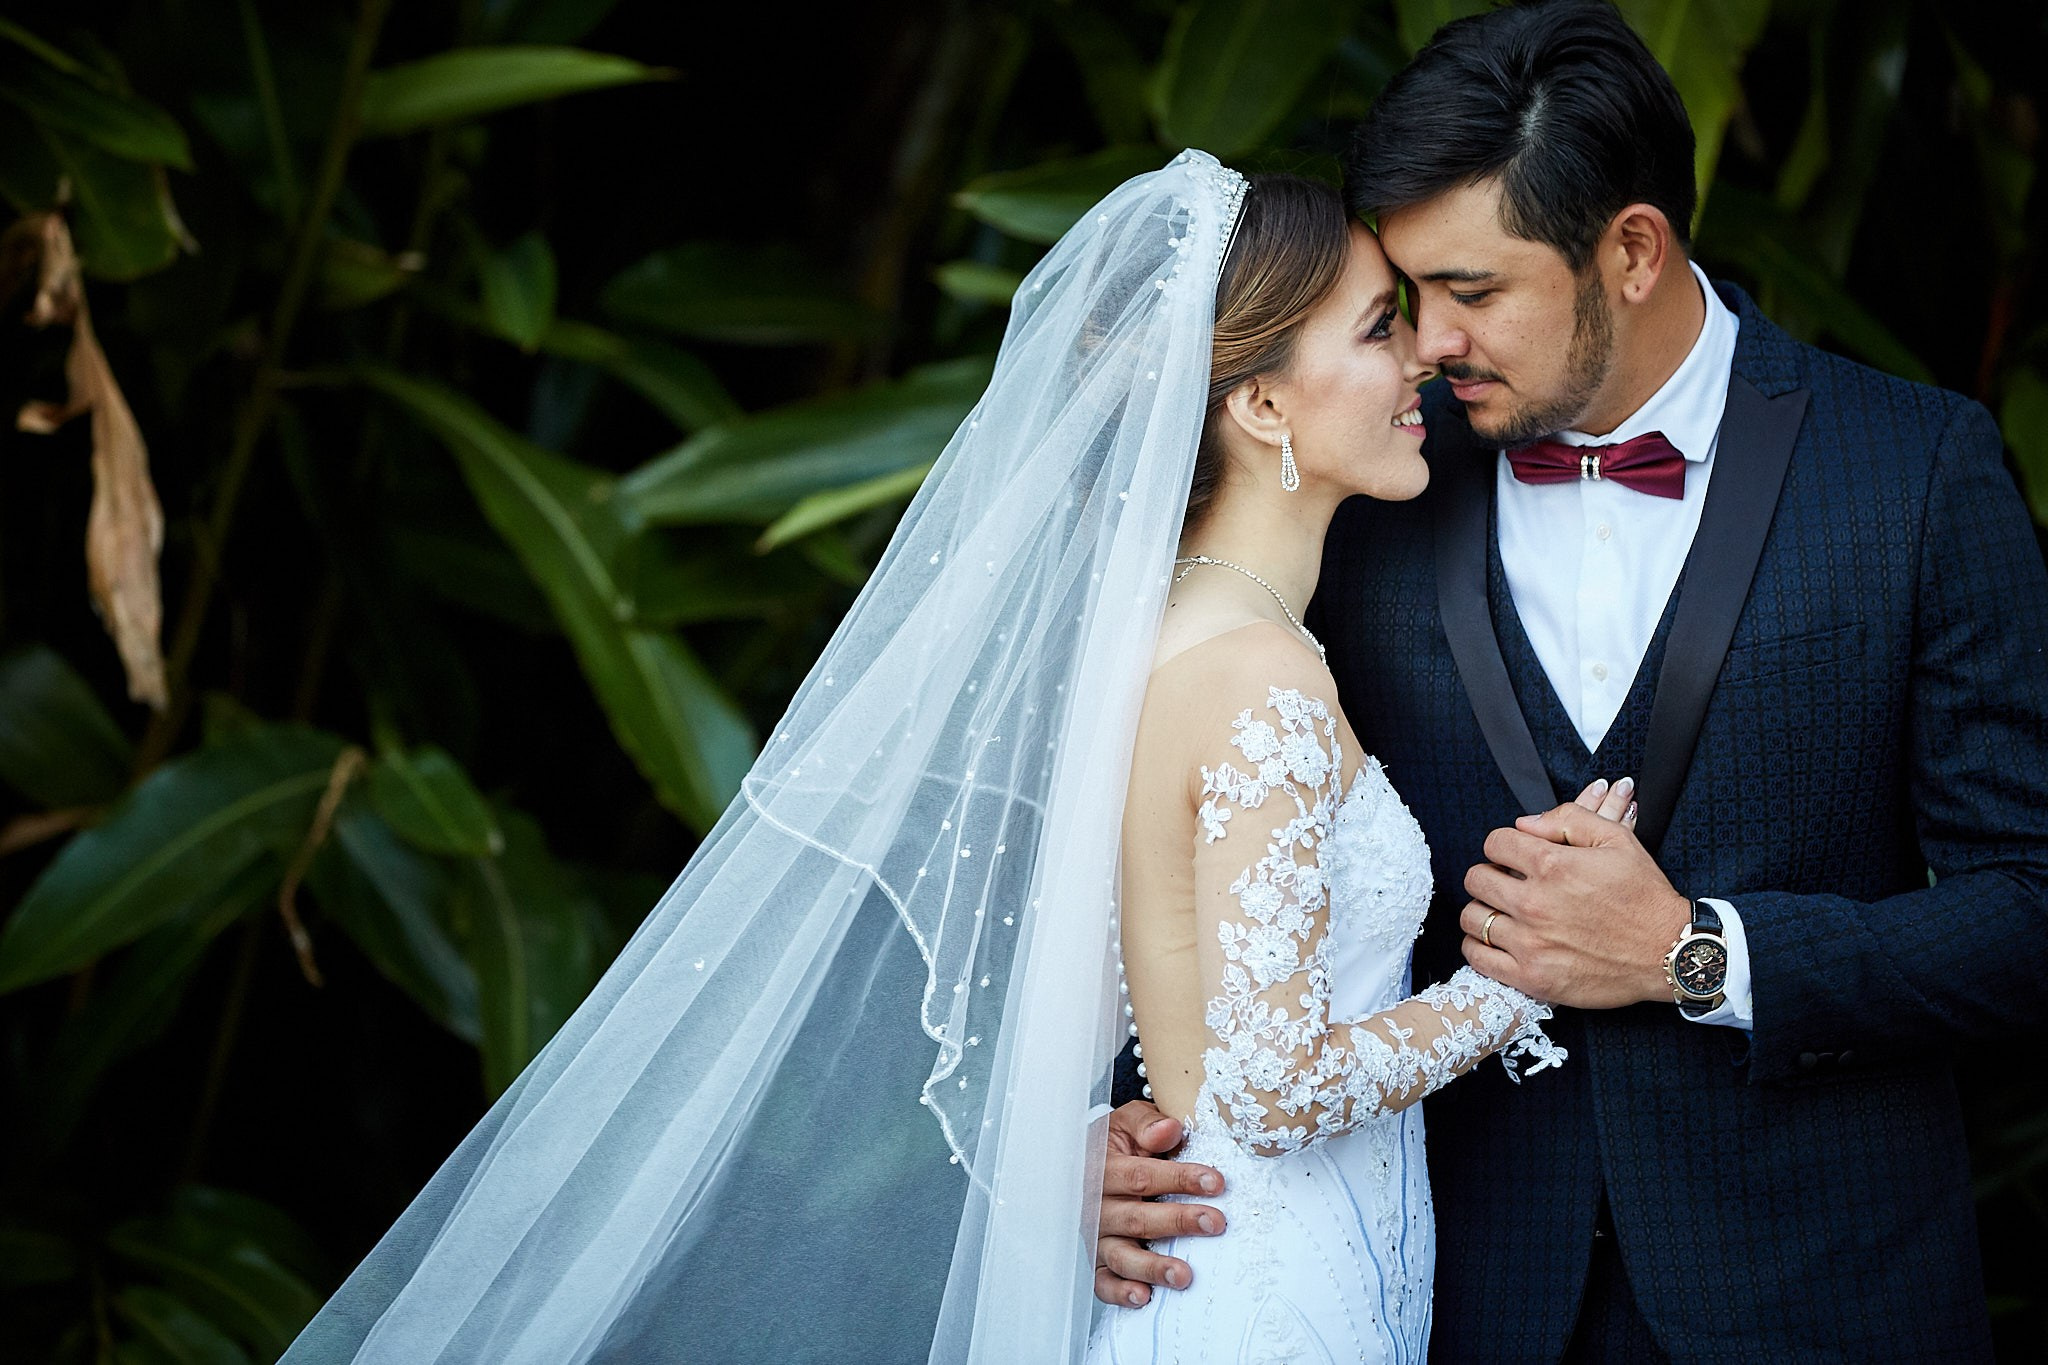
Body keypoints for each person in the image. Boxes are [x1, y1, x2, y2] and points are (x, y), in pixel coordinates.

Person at [278, 151, 1565, 1365]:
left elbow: (1120, 1004)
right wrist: (1516, 985)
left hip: (1254, 1270)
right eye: (1376, 327)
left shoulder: (1161, 644)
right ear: (1261, 400)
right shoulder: (1254, 681)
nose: (1423, 360)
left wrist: (1079, 1143)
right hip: (1263, 1292)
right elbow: (1271, 1084)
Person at [1095, 3, 2048, 1361]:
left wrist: (1696, 953)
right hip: (1443, 1299)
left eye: (1473, 292)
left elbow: (2029, 910)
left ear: (1634, 250)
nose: (1426, 343)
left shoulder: (1918, 473)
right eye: (1408, 297)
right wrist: (1092, 1141)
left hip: (1822, 1300)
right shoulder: (1355, 487)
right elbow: (1162, 825)